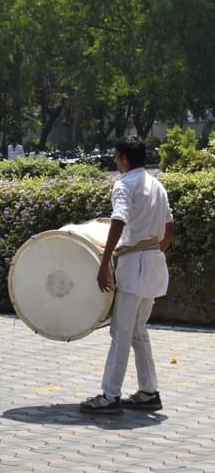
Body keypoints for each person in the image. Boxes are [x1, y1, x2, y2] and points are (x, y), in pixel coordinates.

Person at [81, 137, 173, 414]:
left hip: (134, 265)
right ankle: (149, 392)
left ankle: (110, 396)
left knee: (121, 331)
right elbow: (169, 227)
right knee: (137, 331)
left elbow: (118, 220)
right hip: (154, 262)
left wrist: (104, 262)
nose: (115, 160)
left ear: (123, 158)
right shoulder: (157, 185)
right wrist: (153, 249)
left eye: (116, 156)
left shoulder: (124, 185)